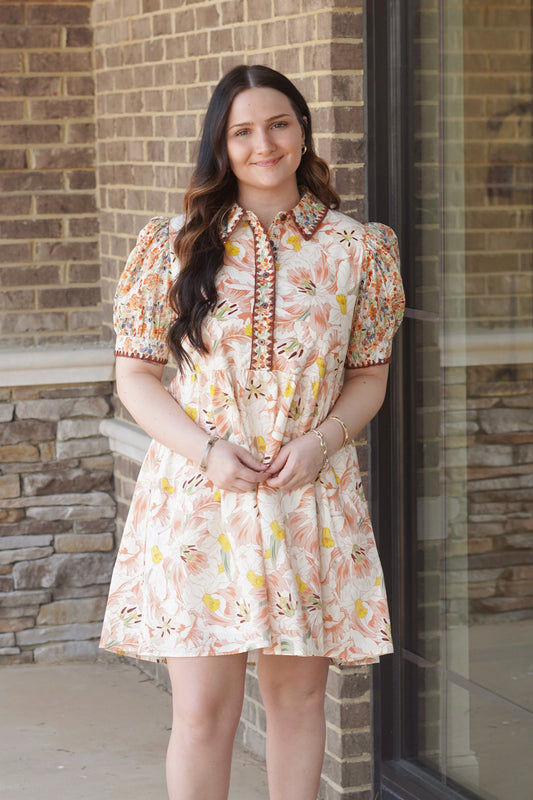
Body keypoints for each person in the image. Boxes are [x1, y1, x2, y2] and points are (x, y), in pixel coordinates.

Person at [100, 64, 405, 800]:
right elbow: (135, 377)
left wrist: (321, 442)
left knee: (297, 703)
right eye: (241, 131)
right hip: (199, 498)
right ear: (220, 145)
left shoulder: (355, 249)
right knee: (204, 712)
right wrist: (206, 450)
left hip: (306, 498)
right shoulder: (170, 245)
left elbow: (368, 378)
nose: (262, 143)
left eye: (277, 124)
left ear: (302, 133)